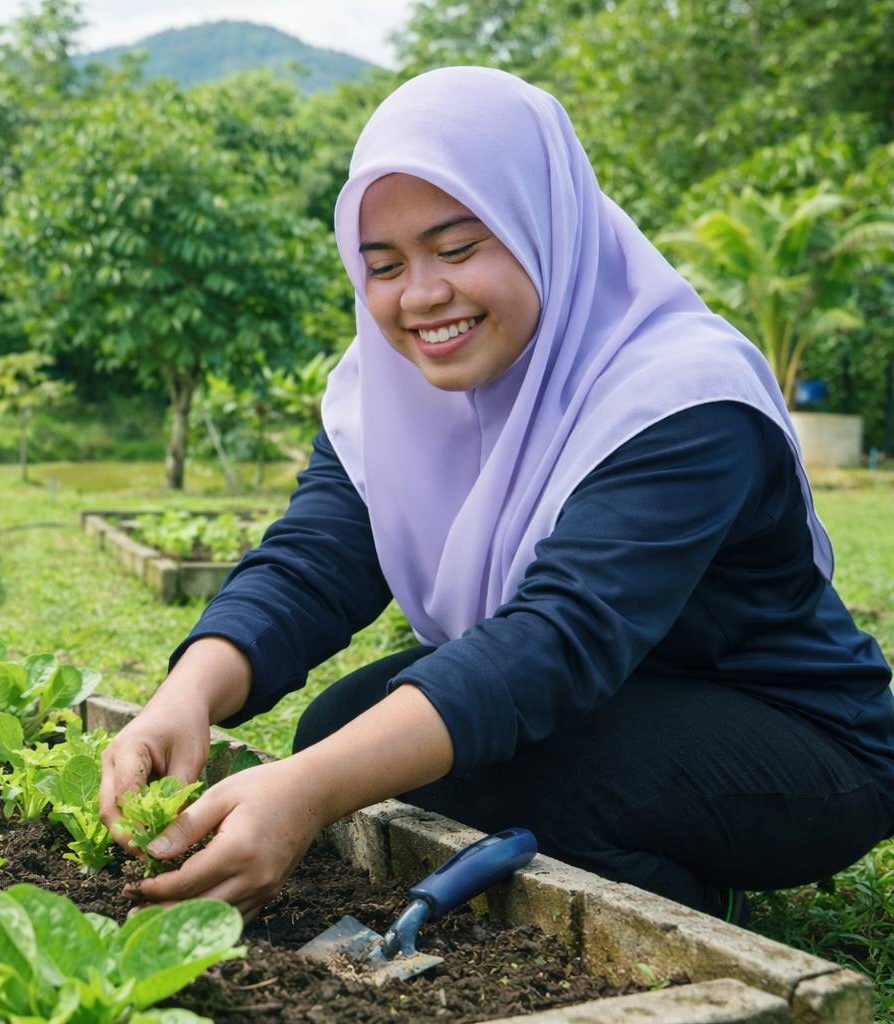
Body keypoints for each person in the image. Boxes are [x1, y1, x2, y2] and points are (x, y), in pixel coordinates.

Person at [96, 66, 894, 924]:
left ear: (543, 226)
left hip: (793, 733)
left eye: (457, 248)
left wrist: (309, 791)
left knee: (496, 774)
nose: (421, 295)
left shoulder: (681, 395)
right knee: (342, 727)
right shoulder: (388, 388)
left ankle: (685, 904)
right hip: (614, 698)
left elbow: (560, 634)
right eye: (384, 265)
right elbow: (314, 560)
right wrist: (187, 694)